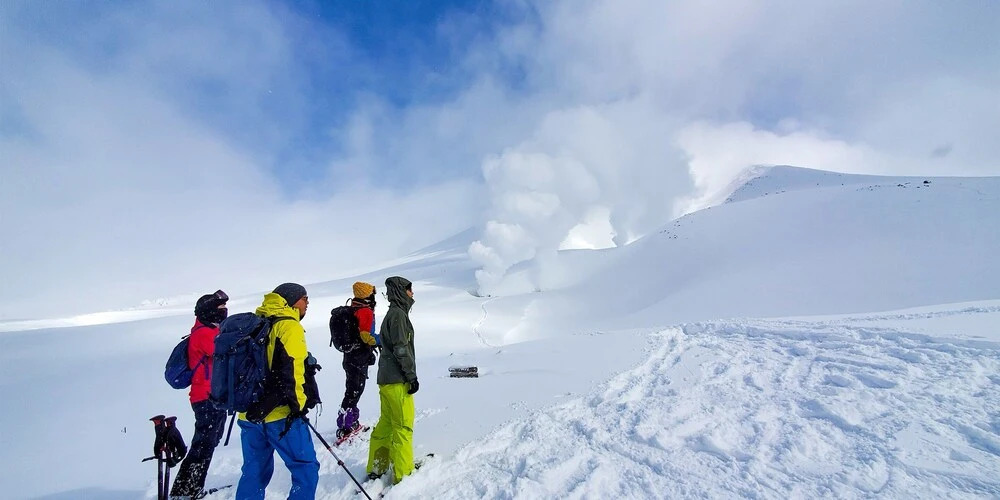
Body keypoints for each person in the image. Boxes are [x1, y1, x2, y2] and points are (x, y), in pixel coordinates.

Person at [236, 283, 321, 500]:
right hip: (281, 415)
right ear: (292, 300)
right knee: (305, 467)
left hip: (249, 413)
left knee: (254, 472)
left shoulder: (256, 322)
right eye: (304, 298)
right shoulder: (289, 326)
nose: (307, 303)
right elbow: (292, 372)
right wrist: (299, 407)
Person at [170, 290, 229, 499]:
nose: (224, 311)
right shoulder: (204, 333)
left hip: (211, 396)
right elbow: (223, 351)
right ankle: (185, 490)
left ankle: (190, 488)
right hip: (206, 397)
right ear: (209, 311)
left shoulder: (210, 330)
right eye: (220, 308)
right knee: (203, 444)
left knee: (207, 443)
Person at [367, 276, 418, 484]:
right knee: (403, 427)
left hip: (386, 380)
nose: (412, 294)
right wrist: (411, 376)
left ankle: (377, 466)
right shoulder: (398, 315)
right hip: (397, 380)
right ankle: (403, 474)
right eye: (409, 289)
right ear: (400, 292)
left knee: (386, 424)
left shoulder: (393, 313)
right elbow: (401, 348)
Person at [337, 281, 379, 439]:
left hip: (350, 356)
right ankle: (346, 425)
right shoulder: (365, 311)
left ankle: (350, 420)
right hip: (359, 357)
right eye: (372, 293)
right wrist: (382, 340)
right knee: (355, 390)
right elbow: (366, 336)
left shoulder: (353, 308)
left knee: (352, 388)